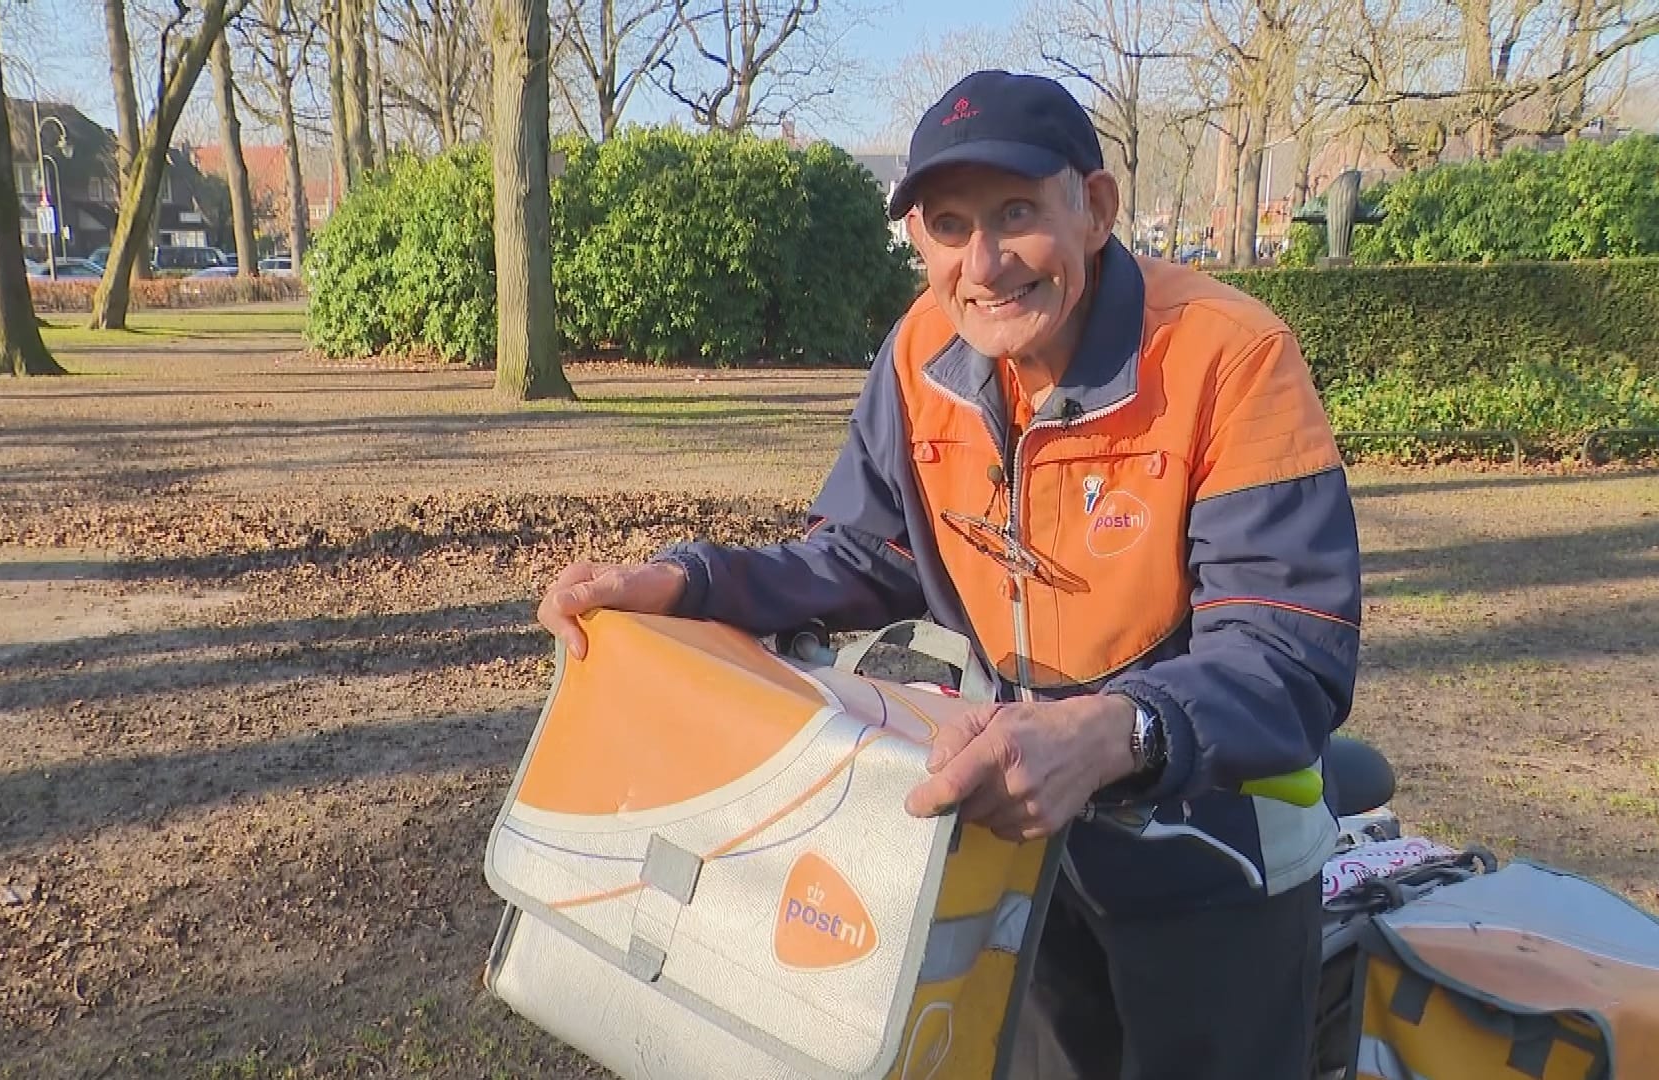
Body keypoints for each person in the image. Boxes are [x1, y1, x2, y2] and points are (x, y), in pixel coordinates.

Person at [537, 69, 1362, 1080]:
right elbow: (866, 552)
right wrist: (691, 582)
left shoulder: (1232, 358)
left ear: (1095, 209)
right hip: (1018, 845)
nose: (984, 261)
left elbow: (1287, 647)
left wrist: (1115, 732)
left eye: (1017, 212)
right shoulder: (920, 350)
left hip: (1220, 860)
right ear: (919, 239)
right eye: (948, 223)